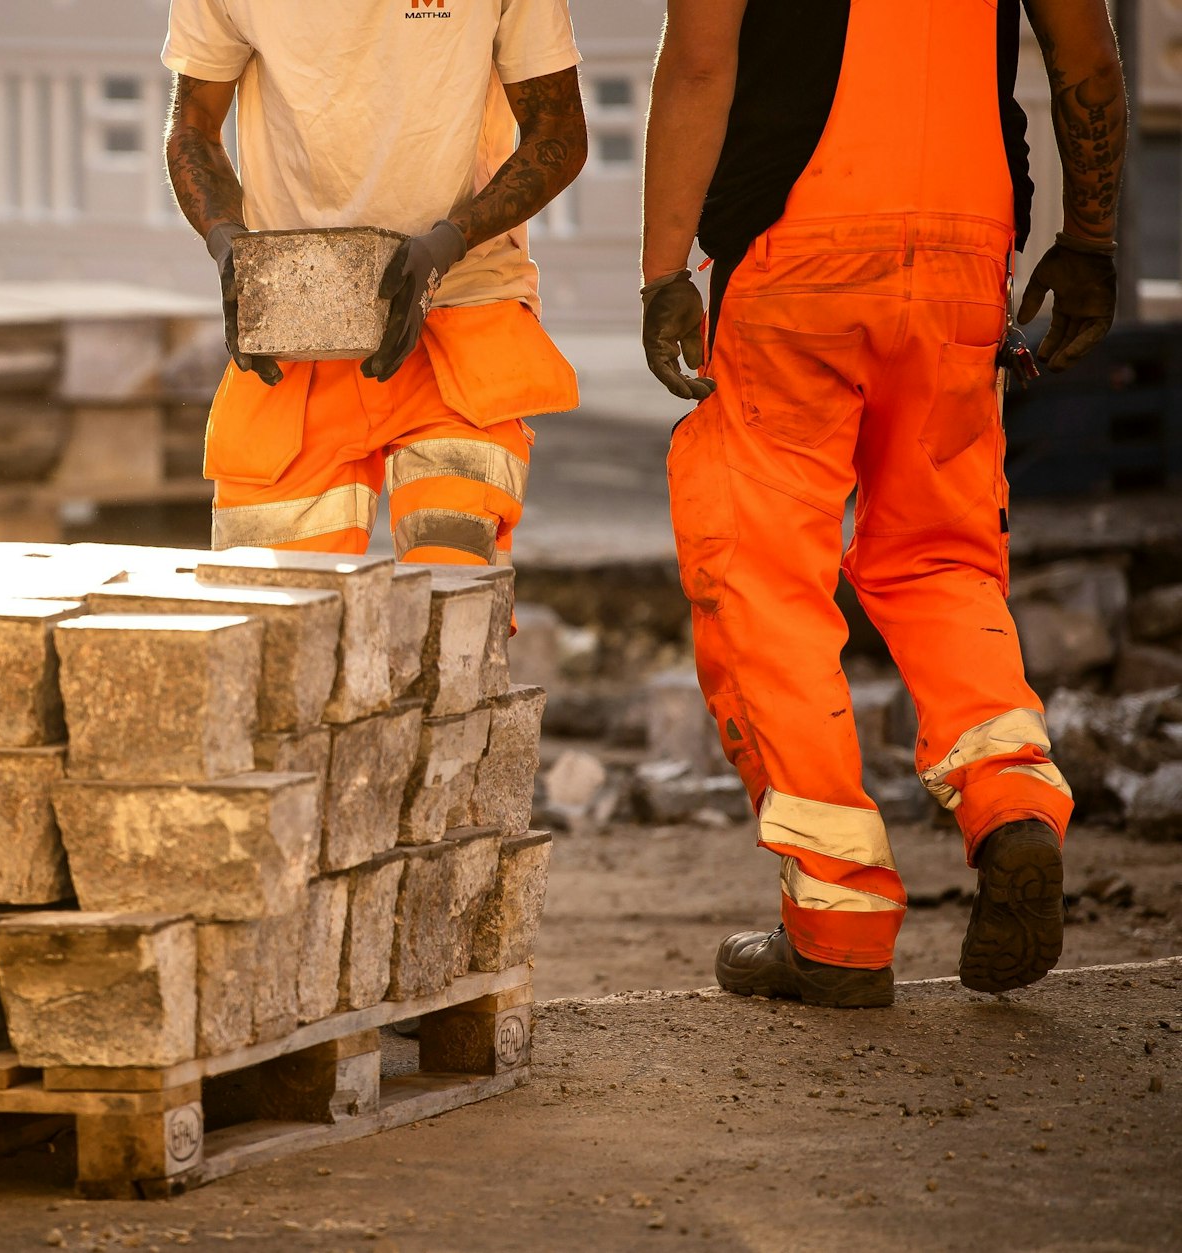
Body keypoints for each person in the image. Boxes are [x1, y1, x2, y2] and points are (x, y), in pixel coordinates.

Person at [640, 0, 1125, 1006]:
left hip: (793, 247)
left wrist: (663, 272)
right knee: (940, 558)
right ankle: (1011, 799)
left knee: (765, 576)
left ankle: (838, 922)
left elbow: (697, 64)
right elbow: (1084, 53)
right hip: (963, 249)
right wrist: (1088, 241)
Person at [162, 0, 588, 566]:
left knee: (449, 593)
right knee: (278, 605)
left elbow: (558, 133)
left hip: (460, 323)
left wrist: (448, 244)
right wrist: (228, 244)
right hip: (298, 329)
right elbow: (194, 127)